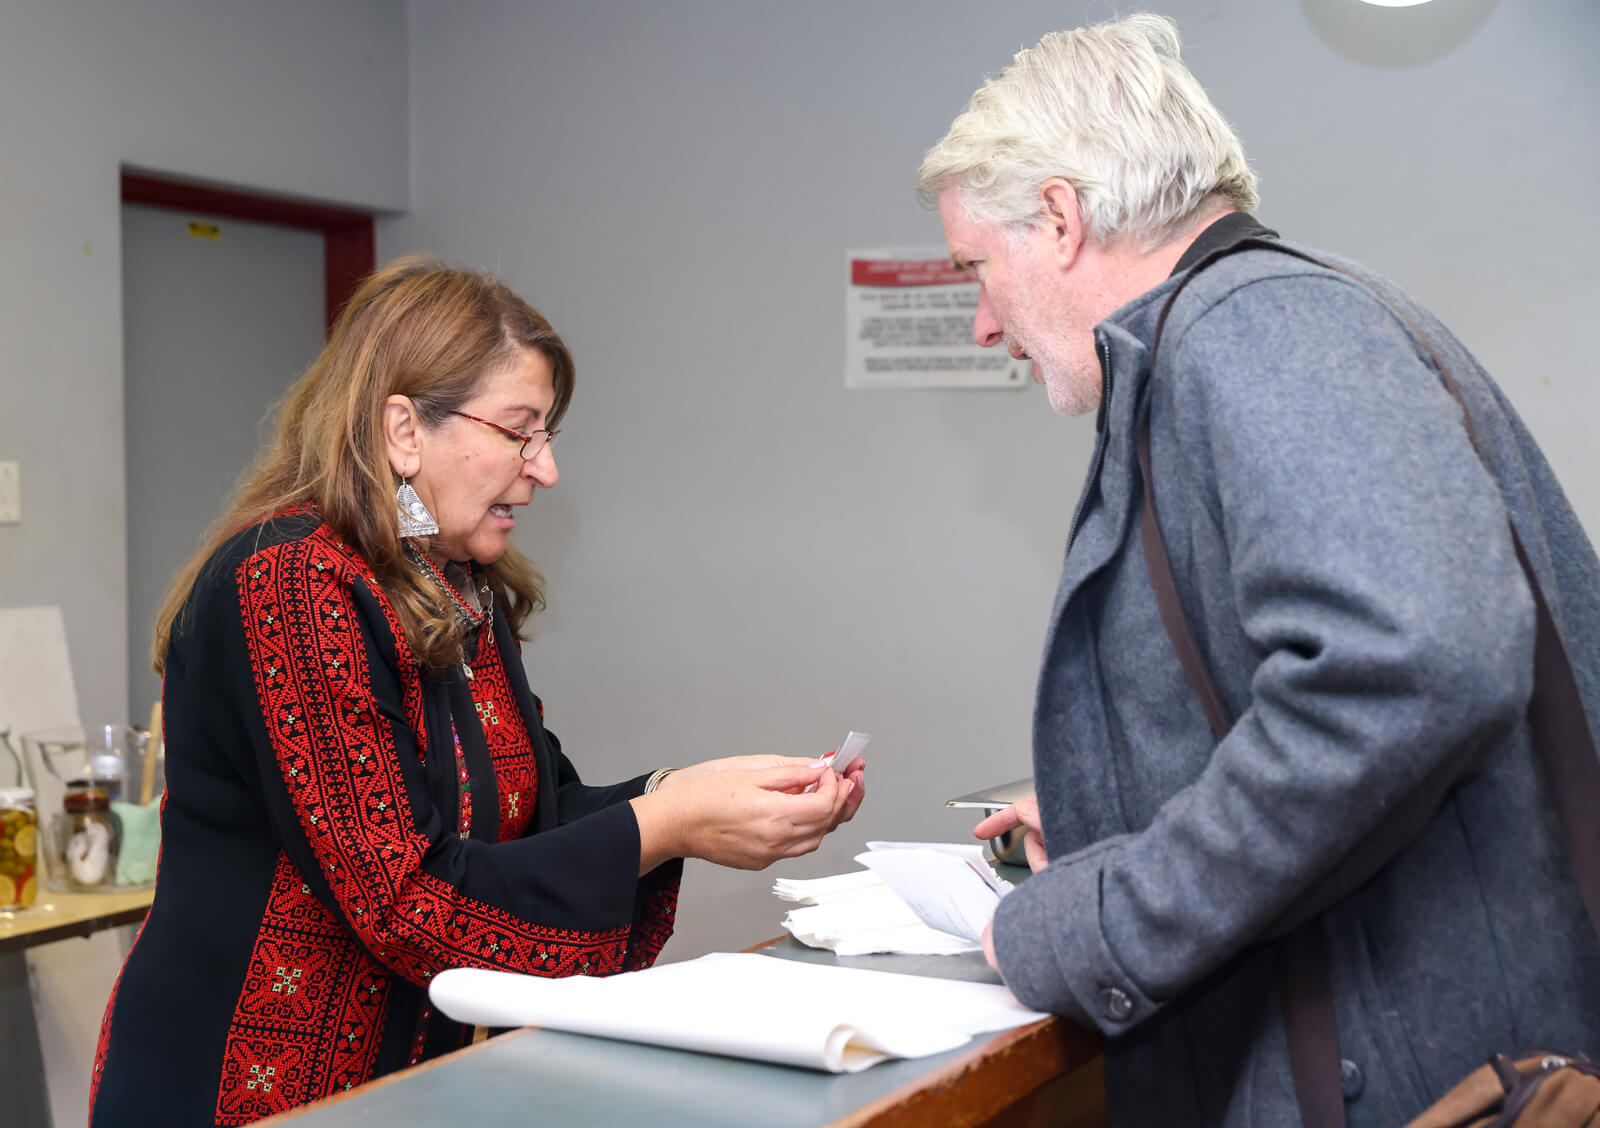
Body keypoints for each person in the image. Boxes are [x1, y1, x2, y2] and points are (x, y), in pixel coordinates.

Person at [918, 13, 1600, 1127]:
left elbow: (1410, 669)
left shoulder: (1257, 329)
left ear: (1060, 217)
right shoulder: (1272, 321)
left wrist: (1097, 920)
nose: (986, 323)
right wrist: (1121, 812)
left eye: (976, 271)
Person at [89, 257, 866, 1126]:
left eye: (547, 436)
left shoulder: (449, 581)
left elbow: (535, 816)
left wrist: (683, 794)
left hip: (404, 1081)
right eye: (520, 432)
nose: (546, 470)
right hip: (249, 1087)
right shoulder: (291, 582)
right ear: (403, 430)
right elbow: (402, 897)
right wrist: (669, 823)